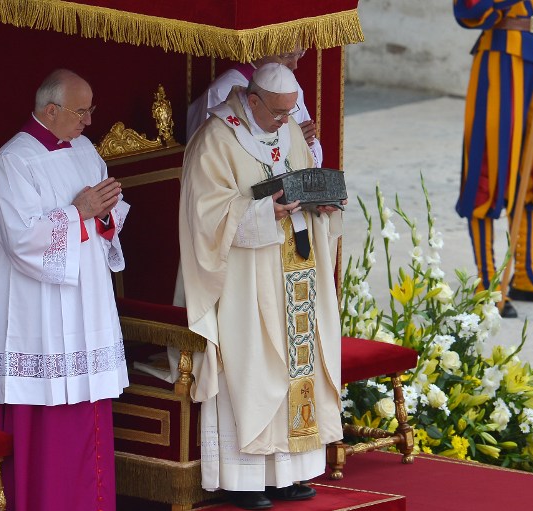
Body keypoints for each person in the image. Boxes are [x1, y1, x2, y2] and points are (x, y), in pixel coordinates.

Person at [178, 63, 344, 510]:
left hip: (293, 268)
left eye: (290, 112)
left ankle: (288, 474)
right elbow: (203, 214)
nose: (285, 122)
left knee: (295, 365)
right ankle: (245, 479)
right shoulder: (215, 139)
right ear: (252, 101)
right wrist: (259, 213)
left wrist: (322, 202)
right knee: (254, 366)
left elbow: (305, 172)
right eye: (276, 113)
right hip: (244, 280)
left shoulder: (287, 128)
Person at [0, 69, 129, 511]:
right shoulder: (13, 163)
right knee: (47, 439)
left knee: (88, 425)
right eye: (83, 111)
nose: (90, 121)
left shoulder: (84, 150)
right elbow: (21, 240)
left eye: (91, 110)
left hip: (86, 311)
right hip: (36, 316)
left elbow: (104, 219)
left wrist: (103, 214)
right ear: (51, 109)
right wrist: (78, 212)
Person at [454, 0, 533, 318]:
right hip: (499, 66)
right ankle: (488, 281)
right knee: (488, 169)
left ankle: (525, 273)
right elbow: (470, 14)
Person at [186, 45, 323, 168]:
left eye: (300, 54)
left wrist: (299, 144)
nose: (295, 65)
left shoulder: (289, 87)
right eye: (286, 56)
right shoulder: (222, 90)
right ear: (260, 48)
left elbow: (310, 143)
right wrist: (290, 142)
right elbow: (210, 157)